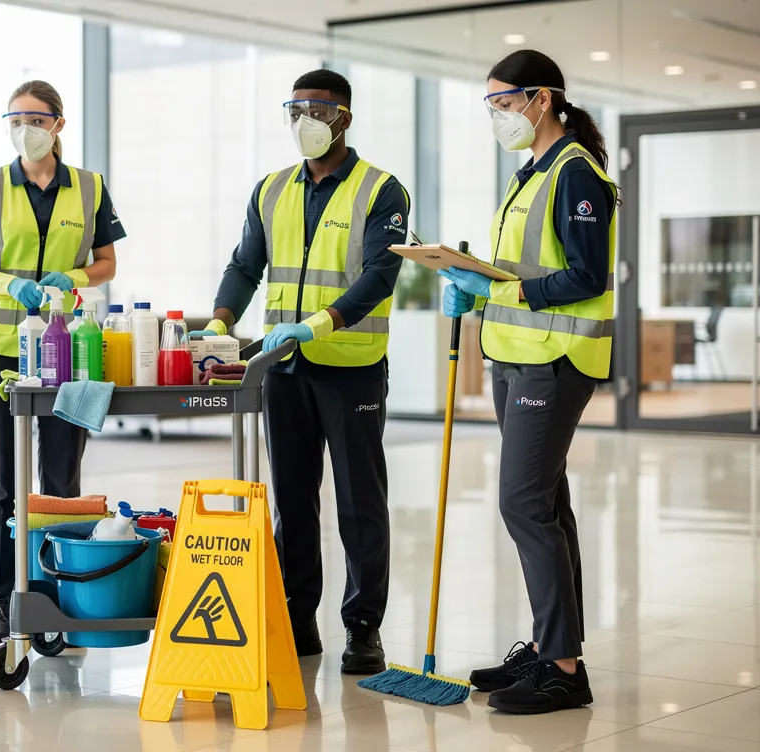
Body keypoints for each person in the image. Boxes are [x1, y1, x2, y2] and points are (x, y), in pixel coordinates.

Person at [190, 69, 410, 675]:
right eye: (295, 110)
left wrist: (320, 324)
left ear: (344, 115)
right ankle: (296, 615)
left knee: (360, 500)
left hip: (350, 365)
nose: (304, 121)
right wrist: (220, 320)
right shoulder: (271, 189)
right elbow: (244, 265)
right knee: (291, 497)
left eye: (317, 110)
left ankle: (363, 627)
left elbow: (378, 276)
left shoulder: (381, 190)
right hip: (280, 367)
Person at [438, 49, 615, 714]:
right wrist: (474, 283)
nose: (497, 116)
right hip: (516, 355)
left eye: (504, 104)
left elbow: (586, 276)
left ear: (541, 99)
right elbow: (524, 270)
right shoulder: (530, 173)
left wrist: (497, 286)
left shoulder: (575, 172)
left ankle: (563, 670)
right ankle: (552, 650)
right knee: (547, 506)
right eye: (491, 106)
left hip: (554, 360)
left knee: (522, 504)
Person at [0, 80, 125, 650]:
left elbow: (106, 263)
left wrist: (69, 281)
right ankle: (0, 603)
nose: (23, 128)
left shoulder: (91, 188)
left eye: (34, 119)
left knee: (61, 480)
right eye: (13, 119)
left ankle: (57, 596)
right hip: (0, 347)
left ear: (58, 125)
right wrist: (8, 283)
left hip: (69, 350)